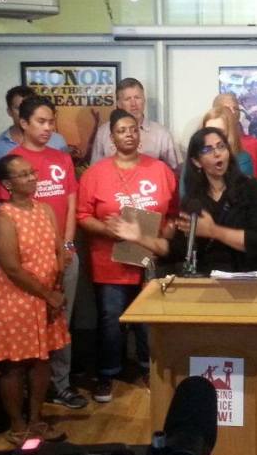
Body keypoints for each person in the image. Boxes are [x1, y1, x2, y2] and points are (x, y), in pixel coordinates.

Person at [0, 96, 85, 409]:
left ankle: (61, 385)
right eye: (40, 122)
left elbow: (70, 202)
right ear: (23, 123)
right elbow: (4, 213)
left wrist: (66, 246)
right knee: (28, 328)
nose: (48, 128)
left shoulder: (61, 158)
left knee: (61, 321)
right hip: (26, 262)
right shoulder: (11, 162)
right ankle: (29, 397)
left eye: (51, 121)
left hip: (62, 252)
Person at [77, 109, 178, 403]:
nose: (129, 135)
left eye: (133, 129)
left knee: (150, 318)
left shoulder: (160, 170)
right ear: (112, 138)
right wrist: (109, 230)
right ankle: (108, 373)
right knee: (111, 319)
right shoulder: (95, 174)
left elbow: (174, 213)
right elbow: (82, 216)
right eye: (122, 130)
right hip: (110, 261)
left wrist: (165, 235)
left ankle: (149, 368)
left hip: (150, 260)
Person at [0, 154, 70, 444]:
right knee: (14, 365)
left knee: (41, 361)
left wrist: (57, 288)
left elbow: (58, 249)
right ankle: (17, 425)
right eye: (23, 175)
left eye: (32, 172)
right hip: (17, 300)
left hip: (48, 298)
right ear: (8, 184)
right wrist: (48, 295)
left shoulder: (45, 209)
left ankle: (37, 420)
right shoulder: (3, 218)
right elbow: (12, 268)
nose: (32, 178)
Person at [168, 127, 257, 273]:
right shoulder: (193, 201)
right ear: (197, 161)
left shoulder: (252, 188)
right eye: (207, 150)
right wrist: (147, 239)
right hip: (207, 279)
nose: (217, 153)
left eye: (221, 146)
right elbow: (180, 250)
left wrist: (213, 231)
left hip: (248, 276)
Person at [90, 78, 180, 169]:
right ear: (118, 104)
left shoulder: (161, 134)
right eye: (127, 99)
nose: (133, 104)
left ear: (144, 100)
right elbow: (95, 170)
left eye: (137, 98)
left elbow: (173, 171)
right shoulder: (103, 132)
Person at [0, 85, 68, 174]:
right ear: (9, 111)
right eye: (19, 108)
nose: (24, 113)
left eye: (29, 108)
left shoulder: (57, 141)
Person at [213, 92, 257, 178]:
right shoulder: (207, 144)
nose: (233, 112)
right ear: (215, 112)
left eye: (236, 108)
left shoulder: (255, 145)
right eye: (227, 109)